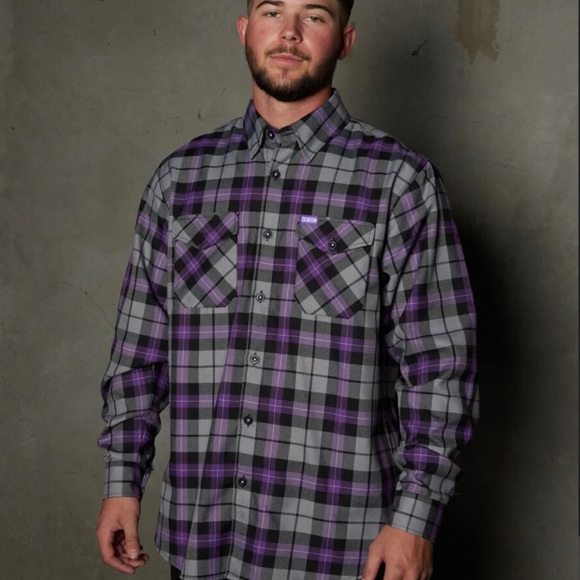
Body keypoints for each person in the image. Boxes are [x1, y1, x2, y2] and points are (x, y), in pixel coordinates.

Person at [96, 1, 478, 579]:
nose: (290, 32)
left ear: (345, 40)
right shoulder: (179, 181)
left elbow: (439, 365)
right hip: (205, 543)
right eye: (273, 11)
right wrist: (123, 480)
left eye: (315, 15)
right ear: (245, 30)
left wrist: (416, 518)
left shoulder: (400, 183)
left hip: (340, 551)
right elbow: (138, 350)